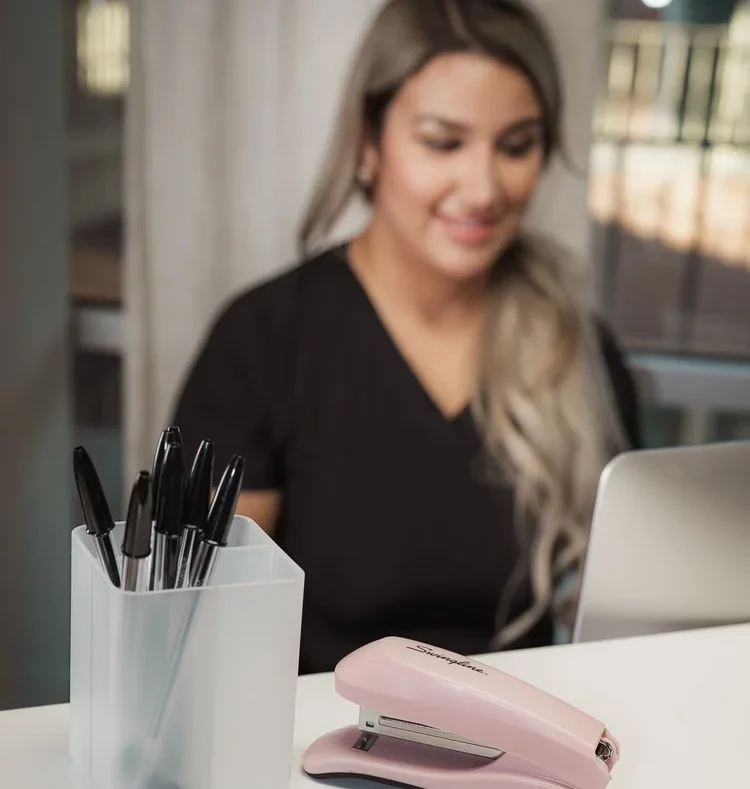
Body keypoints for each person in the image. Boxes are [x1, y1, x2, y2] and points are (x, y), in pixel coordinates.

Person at [173, 0, 641, 675]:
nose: (482, 188)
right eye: (442, 142)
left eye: (516, 145)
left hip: (524, 755)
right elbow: (198, 631)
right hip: (318, 752)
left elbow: (632, 616)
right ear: (369, 142)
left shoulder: (581, 351)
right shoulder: (264, 341)